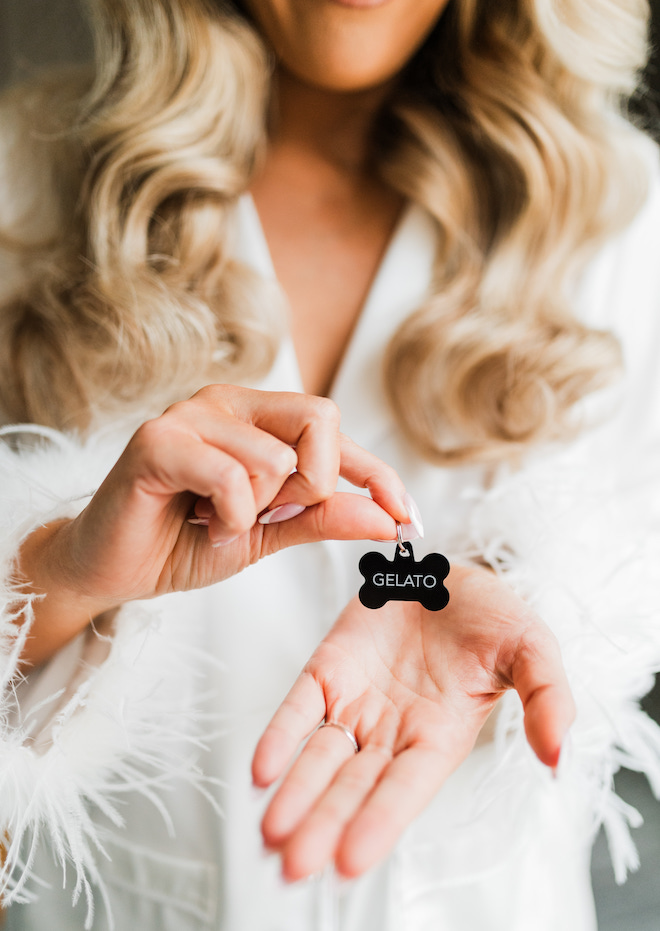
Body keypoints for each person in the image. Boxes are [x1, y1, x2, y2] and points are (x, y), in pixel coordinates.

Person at [0, 0, 659, 928]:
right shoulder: (24, 177)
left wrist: (510, 594)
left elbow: (631, 596)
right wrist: (60, 571)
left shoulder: (625, 211)